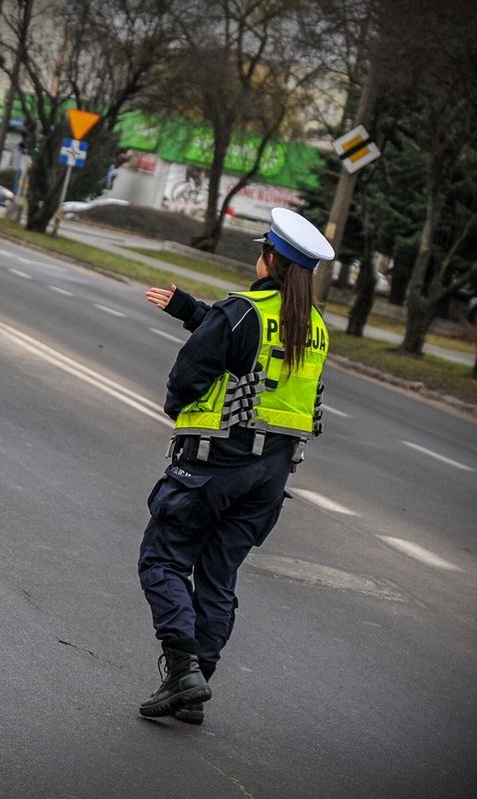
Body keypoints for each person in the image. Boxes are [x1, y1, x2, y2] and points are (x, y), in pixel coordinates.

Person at [136, 207, 334, 723]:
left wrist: (177, 408)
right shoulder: (312, 327)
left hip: (213, 466)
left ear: (270, 259)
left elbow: (193, 372)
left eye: (261, 249)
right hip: (269, 479)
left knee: (163, 561)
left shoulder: (244, 310)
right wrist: (189, 309)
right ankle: (194, 684)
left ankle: (182, 671)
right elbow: (244, 340)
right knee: (219, 578)